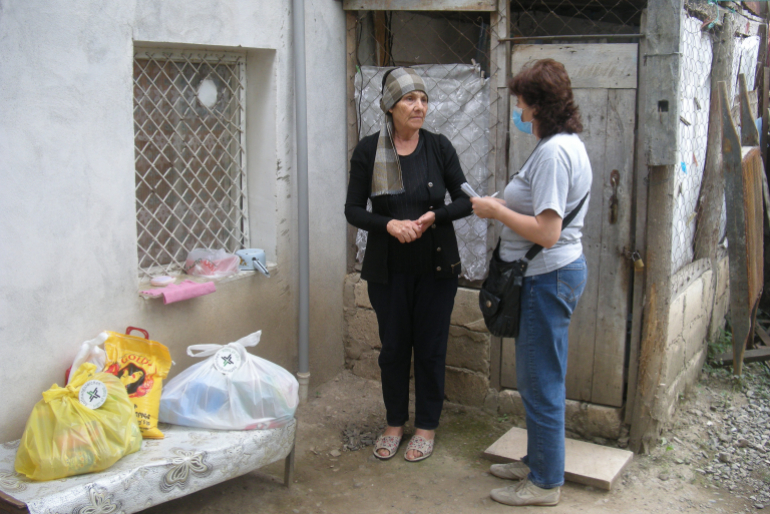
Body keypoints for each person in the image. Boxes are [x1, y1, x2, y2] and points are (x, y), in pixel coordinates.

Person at [471, 58, 592, 506]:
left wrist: (497, 211)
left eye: (522, 103)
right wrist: (503, 205)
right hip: (548, 276)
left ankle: (544, 484)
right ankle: (537, 460)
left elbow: (547, 232)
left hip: (547, 276)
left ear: (539, 105)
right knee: (537, 378)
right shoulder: (560, 145)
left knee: (541, 382)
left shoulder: (557, 153)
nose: (519, 112)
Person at [344, 67, 472, 462]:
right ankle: (394, 423)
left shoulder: (438, 147)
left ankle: (426, 426)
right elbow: (352, 210)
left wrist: (436, 216)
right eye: (409, 99)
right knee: (394, 349)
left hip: (436, 268)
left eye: (423, 99)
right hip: (389, 271)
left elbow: (466, 200)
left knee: (430, 349)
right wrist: (389, 224)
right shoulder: (368, 151)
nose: (419, 107)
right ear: (390, 106)